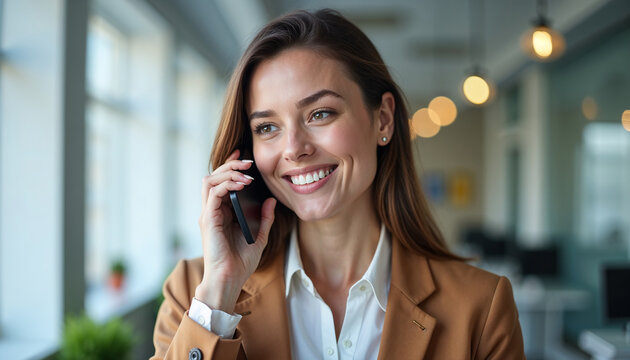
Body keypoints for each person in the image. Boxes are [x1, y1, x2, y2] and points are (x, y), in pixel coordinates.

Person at [152, 8, 525, 360]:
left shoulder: (480, 307)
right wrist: (219, 295)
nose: (294, 149)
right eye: (268, 127)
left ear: (382, 120)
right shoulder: (195, 294)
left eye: (320, 113)